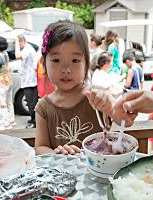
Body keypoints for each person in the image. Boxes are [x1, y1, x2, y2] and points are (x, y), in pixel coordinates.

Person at [35, 20, 117, 155]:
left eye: (75, 60)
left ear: (86, 63)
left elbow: (120, 121)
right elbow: (41, 146)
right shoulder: (43, 108)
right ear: (44, 63)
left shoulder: (96, 96)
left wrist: (110, 105)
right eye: (56, 60)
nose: (66, 69)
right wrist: (57, 155)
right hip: (62, 173)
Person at [0, 36, 16, 130]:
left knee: (1, 102)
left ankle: (5, 123)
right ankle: (11, 120)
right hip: (8, 80)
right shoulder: (5, 53)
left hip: (1, 82)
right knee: (9, 102)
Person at [15, 35, 38, 128]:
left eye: (18, 44)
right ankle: (33, 119)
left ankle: (35, 121)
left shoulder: (27, 49)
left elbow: (17, 56)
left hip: (31, 80)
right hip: (28, 79)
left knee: (31, 102)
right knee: (30, 101)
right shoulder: (27, 48)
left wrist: (16, 41)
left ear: (21, 42)